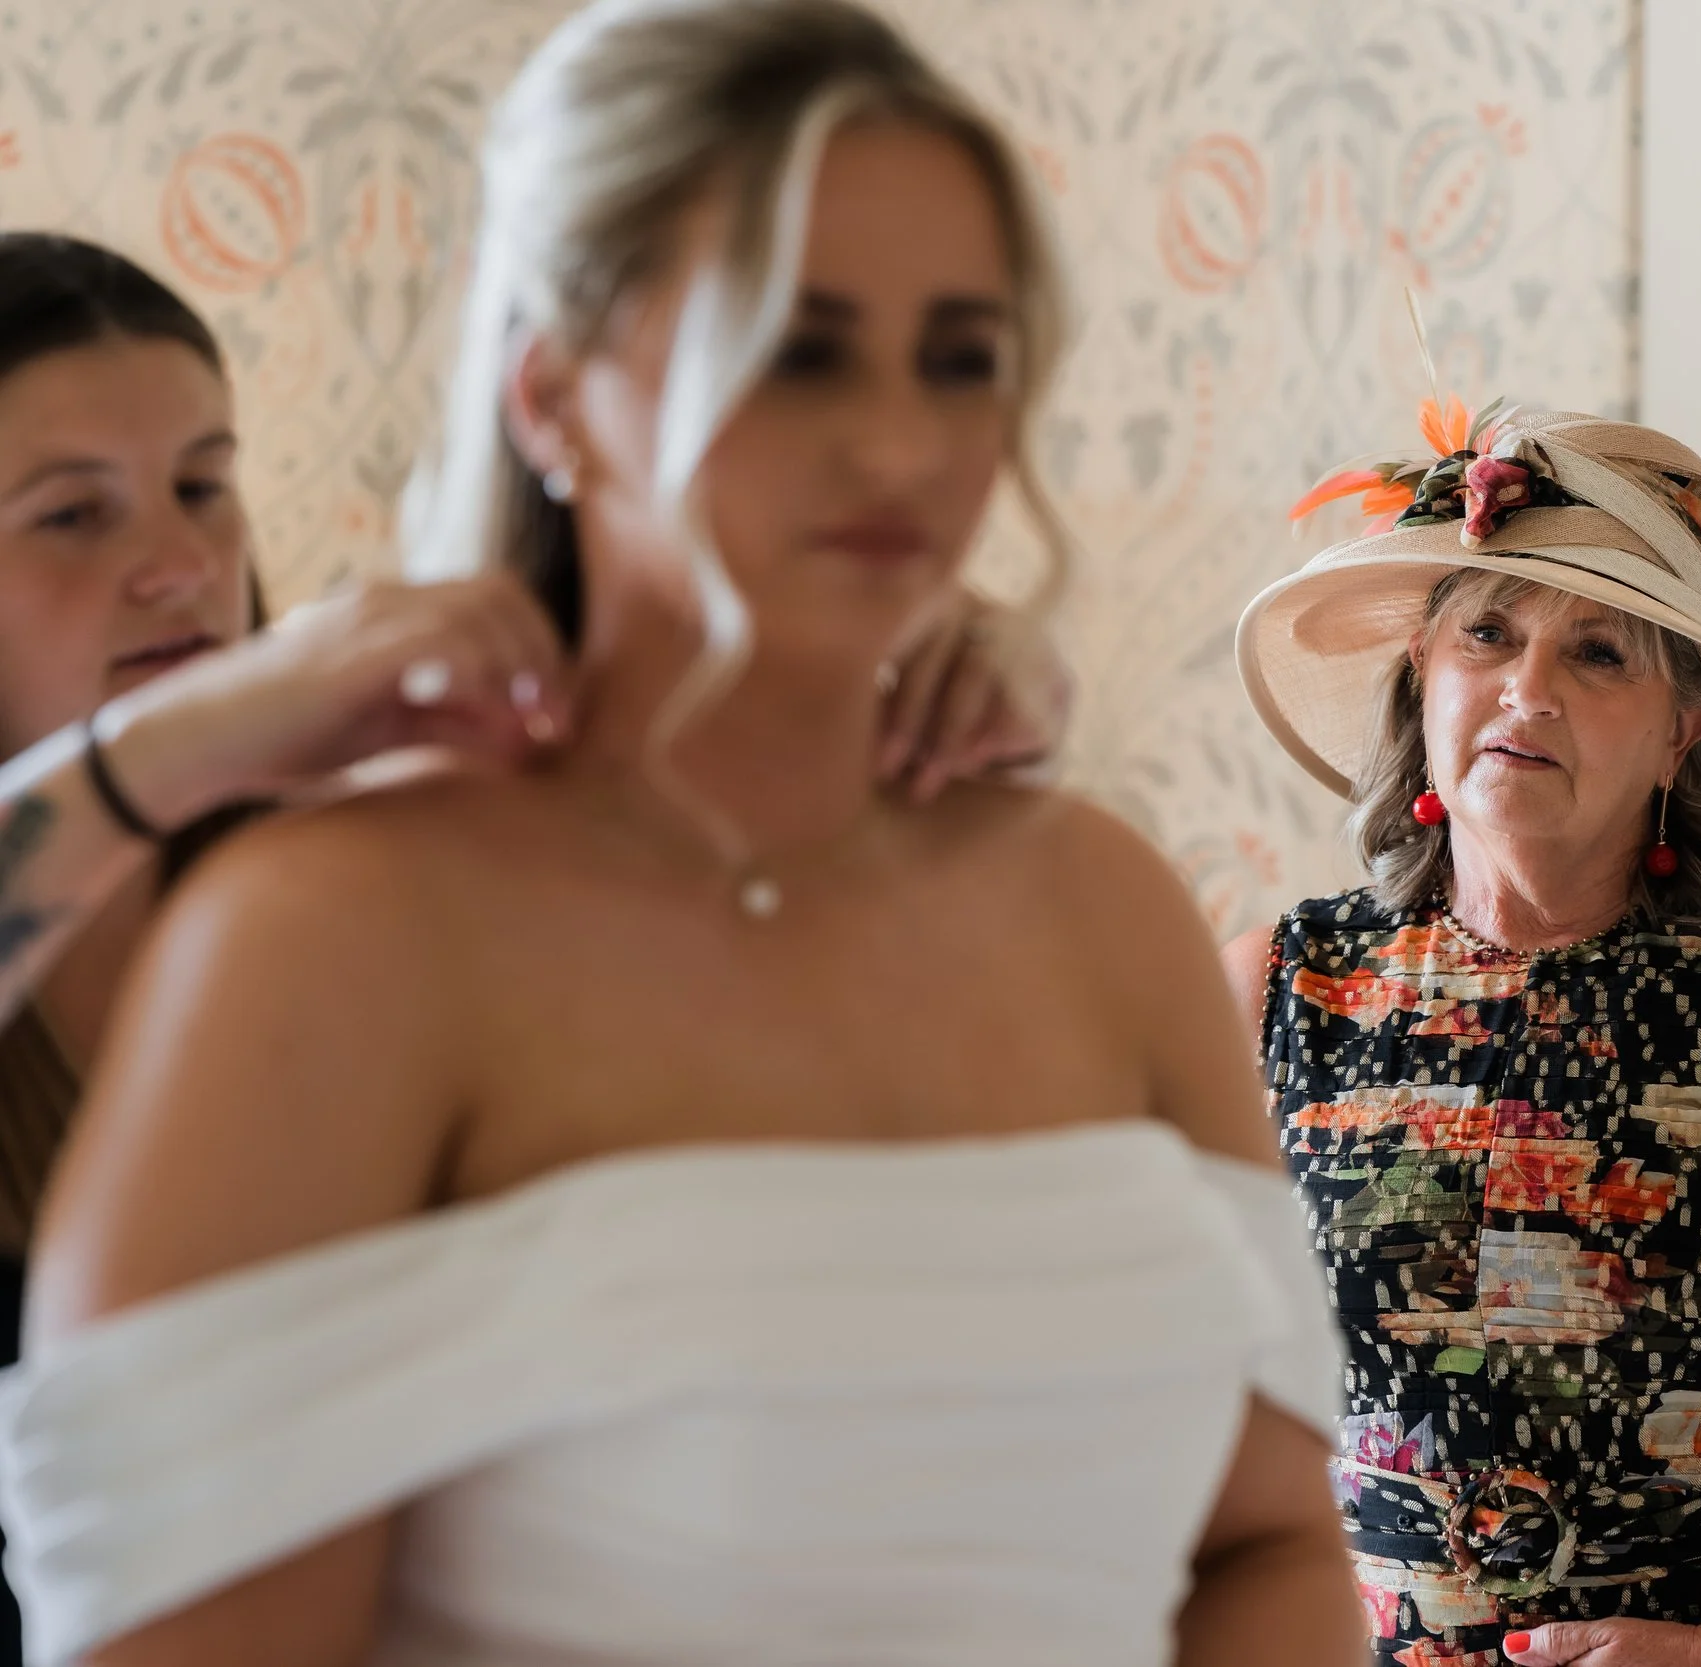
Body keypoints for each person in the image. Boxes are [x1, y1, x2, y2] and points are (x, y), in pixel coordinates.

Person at [0, 5, 1362, 1665]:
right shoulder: (341, 929)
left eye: (961, 355)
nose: (901, 444)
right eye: (794, 346)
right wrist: (164, 752)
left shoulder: (1108, 907)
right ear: (556, 396)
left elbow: (1276, 1543)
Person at [1223, 406, 1701, 1666]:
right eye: (1489, 632)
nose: (1527, 688)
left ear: (1682, 729)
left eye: (1598, 654)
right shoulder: (1276, 987)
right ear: (1425, 665)